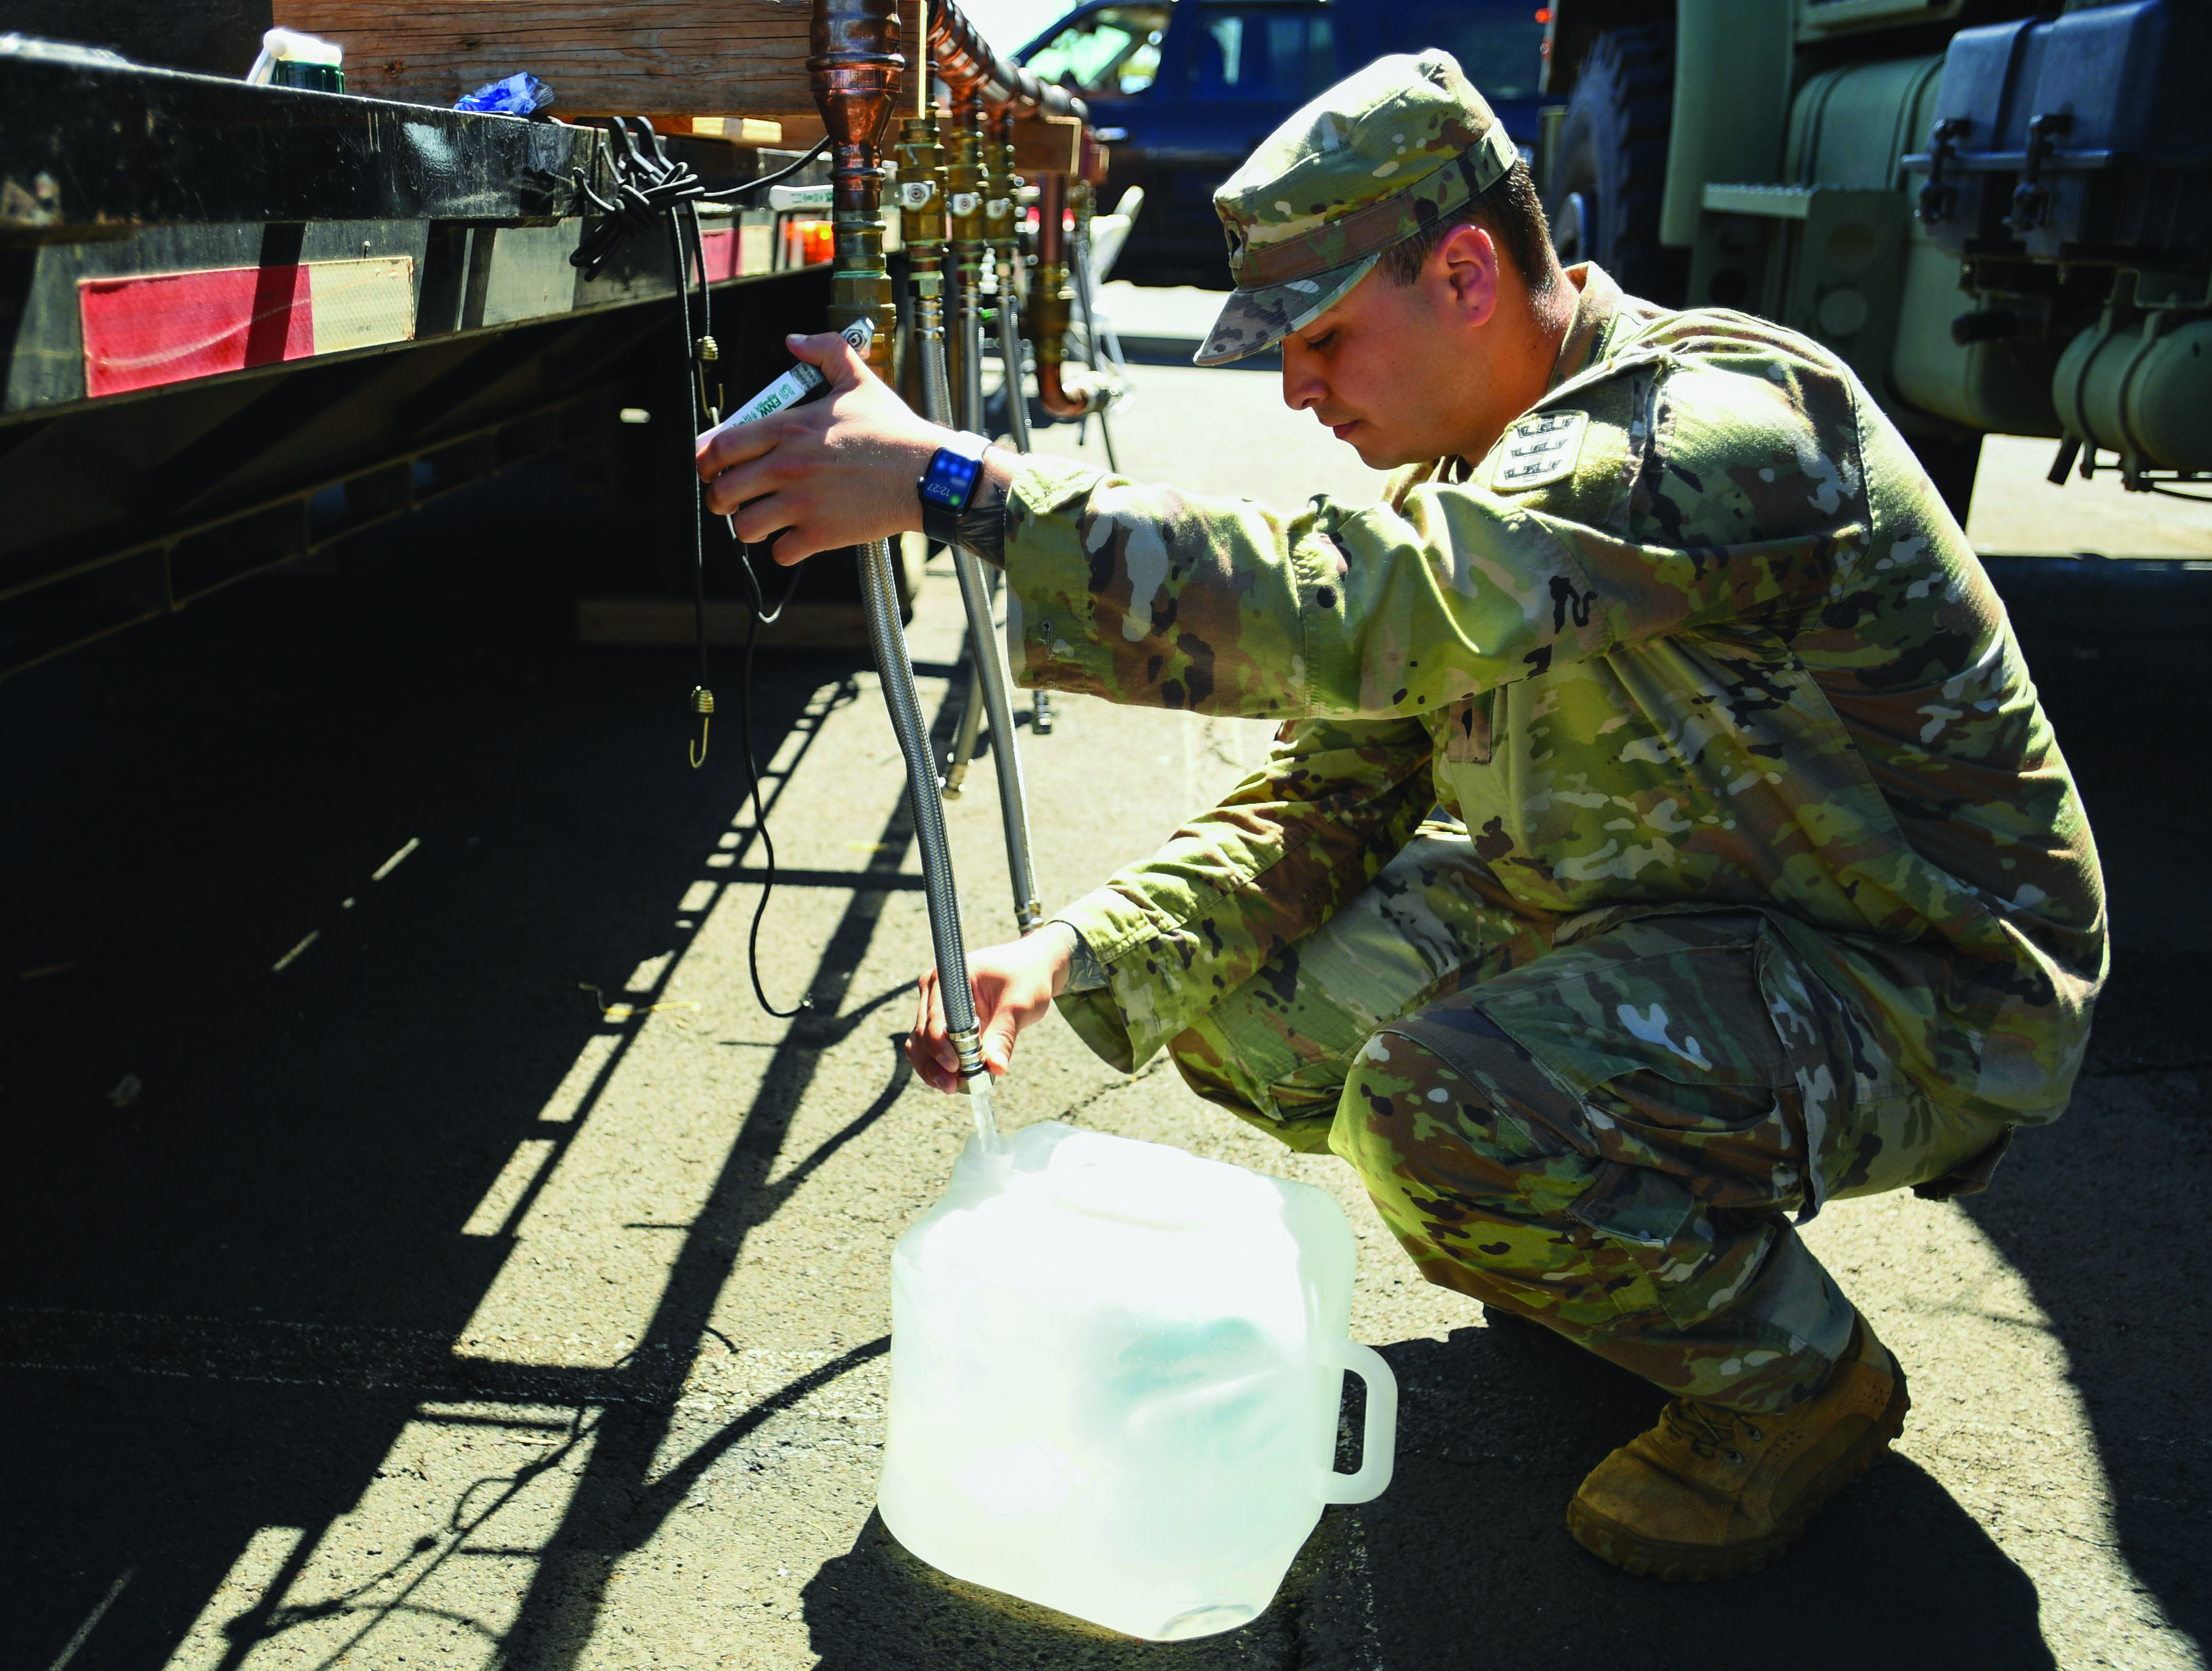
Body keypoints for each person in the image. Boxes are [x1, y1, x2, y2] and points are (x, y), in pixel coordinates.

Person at [696, 50, 2106, 1581]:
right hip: (1678, 906)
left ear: (1463, 272)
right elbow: (1336, 777)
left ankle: (1790, 1379)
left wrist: (959, 486)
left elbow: (1364, 607)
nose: (1296, 390)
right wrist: (1078, 951)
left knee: (1442, 1107)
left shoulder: (1706, 431)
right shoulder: (1486, 464)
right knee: (1249, 1015)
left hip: (1916, 987)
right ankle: (1610, 1231)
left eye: (1322, 338)